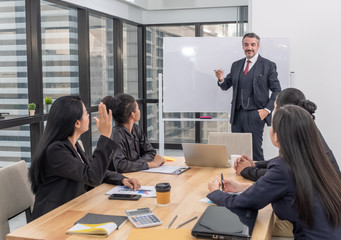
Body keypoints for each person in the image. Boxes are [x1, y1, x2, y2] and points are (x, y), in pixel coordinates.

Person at [207, 105, 341, 239]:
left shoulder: (283, 168)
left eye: (271, 126)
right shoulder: (317, 159)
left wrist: (215, 192)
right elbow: (287, 190)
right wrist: (241, 187)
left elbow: (245, 202)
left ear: (276, 136)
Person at [29, 96, 140, 220]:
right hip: (51, 218)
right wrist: (105, 137)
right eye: (86, 114)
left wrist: (121, 179)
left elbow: (91, 168)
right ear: (77, 123)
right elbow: (92, 177)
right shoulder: (56, 151)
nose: (89, 117)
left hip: (71, 209)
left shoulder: (73, 144)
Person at [235, 88, 341, 180]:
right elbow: (283, 162)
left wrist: (246, 170)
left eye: (275, 108)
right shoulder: (305, 126)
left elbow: (280, 173)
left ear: (285, 111)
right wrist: (256, 164)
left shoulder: (300, 132)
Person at [215, 32, 281, 161]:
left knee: (255, 152)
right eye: (246, 45)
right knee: (236, 151)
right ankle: (238, 176)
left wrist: (266, 111)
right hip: (237, 114)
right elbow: (226, 85)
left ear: (258, 46)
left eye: (252, 44)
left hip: (255, 115)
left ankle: (259, 179)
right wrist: (221, 79)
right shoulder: (236, 65)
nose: (249, 48)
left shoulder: (268, 65)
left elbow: (277, 90)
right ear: (242, 46)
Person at [102, 94, 165, 173]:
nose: (139, 110)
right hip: (118, 181)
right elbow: (121, 166)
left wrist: (134, 164)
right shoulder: (116, 134)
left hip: (134, 175)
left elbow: (151, 152)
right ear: (133, 114)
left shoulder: (135, 128)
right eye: (138, 108)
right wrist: (151, 164)